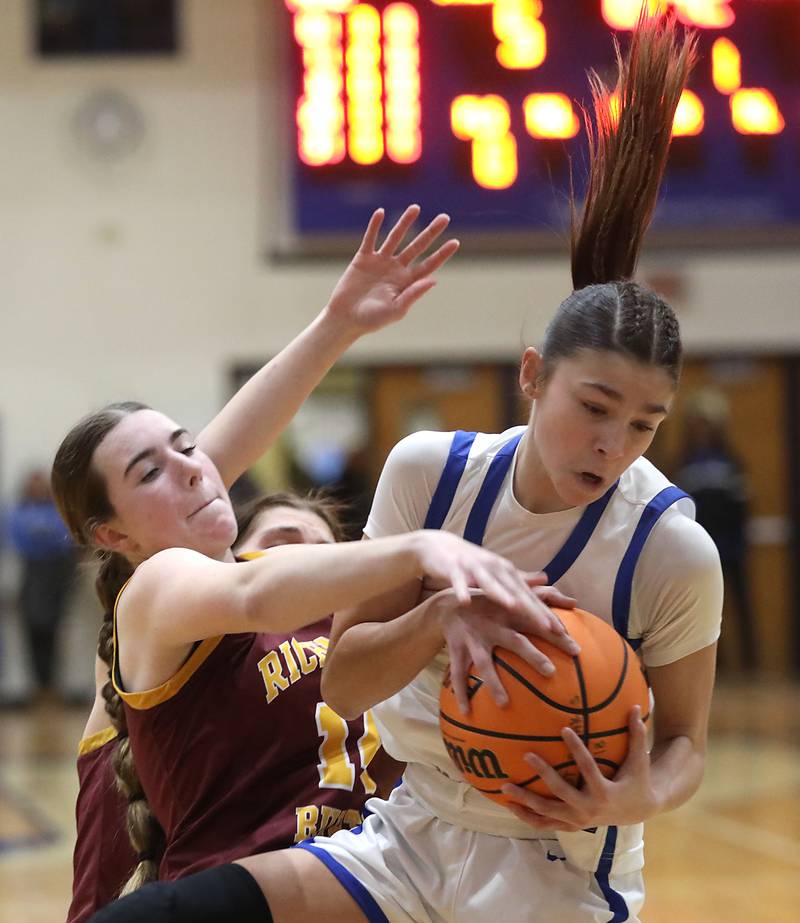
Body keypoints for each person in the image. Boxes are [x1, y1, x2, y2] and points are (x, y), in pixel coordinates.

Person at [86, 14, 723, 923]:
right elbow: (342, 682)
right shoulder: (433, 473)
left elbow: (690, 744)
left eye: (644, 424)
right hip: (406, 837)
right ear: (532, 376)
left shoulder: (672, 550)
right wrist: (439, 609)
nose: (613, 444)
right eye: (594, 409)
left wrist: (636, 797)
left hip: (554, 865)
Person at [54, 207, 570, 919]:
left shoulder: (289, 581)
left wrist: (339, 322)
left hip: (362, 887)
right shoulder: (157, 589)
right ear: (111, 535)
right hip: (238, 894)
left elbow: (216, 468)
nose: (194, 470)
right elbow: (259, 592)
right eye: (150, 471)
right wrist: (421, 545)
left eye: (188, 446)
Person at [66, 491, 403, 923]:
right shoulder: (177, 648)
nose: (305, 561)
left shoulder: (382, 657)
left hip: (352, 892)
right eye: (280, 544)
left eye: (327, 555)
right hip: (220, 896)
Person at [672, 389, 756, 672]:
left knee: (741, 606)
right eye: (698, 422)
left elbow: (744, 505)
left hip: (732, 547)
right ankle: (717, 665)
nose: (703, 429)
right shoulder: (683, 462)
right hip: (701, 551)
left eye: (708, 423)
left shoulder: (732, 462)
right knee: (707, 610)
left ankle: (749, 664)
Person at [8, 468, 77, 699]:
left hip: (58, 575)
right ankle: (36, 684)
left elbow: (64, 539)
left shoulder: (58, 510)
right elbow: (18, 539)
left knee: (57, 629)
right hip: (30, 574)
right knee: (31, 630)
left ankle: (55, 684)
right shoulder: (17, 512)